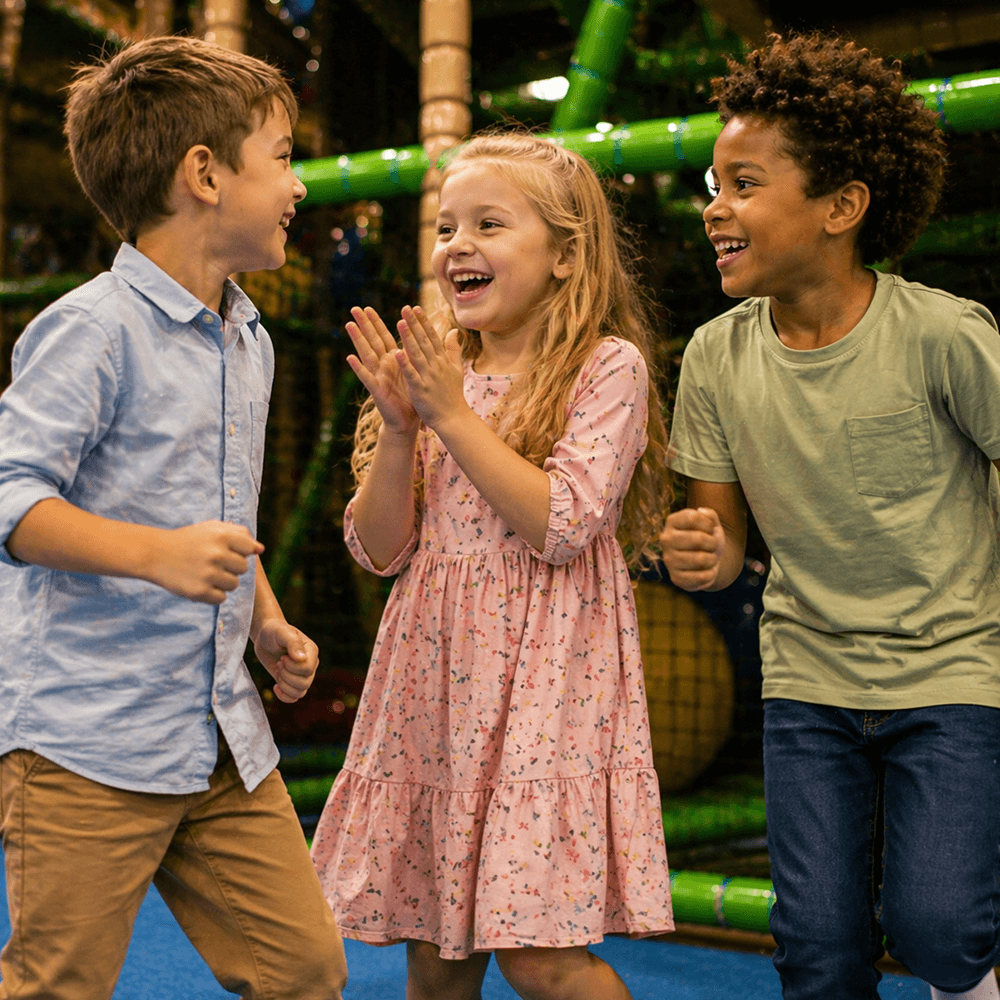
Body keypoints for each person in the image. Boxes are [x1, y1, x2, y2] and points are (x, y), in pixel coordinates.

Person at [0, 36, 347, 1000]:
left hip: (220, 735)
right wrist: (156, 555)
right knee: (59, 985)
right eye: (282, 156)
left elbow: (218, 514)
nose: (299, 184)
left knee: (305, 971)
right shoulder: (91, 329)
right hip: (87, 742)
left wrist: (266, 620)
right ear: (205, 174)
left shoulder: (249, 338)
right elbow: (11, 500)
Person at [662, 31, 1000, 1000]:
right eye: (714, 183)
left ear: (840, 208)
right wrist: (702, 552)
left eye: (744, 183)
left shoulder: (943, 334)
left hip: (951, 670)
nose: (714, 207)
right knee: (815, 950)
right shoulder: (715, 356)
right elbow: (724, 542)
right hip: (807, 676)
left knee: (940, 929)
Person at [310, 132, 674, 1000]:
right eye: (446, 228)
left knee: (540, 959)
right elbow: (381, 549)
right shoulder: (440, 374)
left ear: (564, 255)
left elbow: (563, 523)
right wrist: (402, 429)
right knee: (436, 958)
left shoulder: (605, 366)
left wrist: (450, 416)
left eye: (488, 224)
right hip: (435, 688)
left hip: (547, 689)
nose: (457, 245)